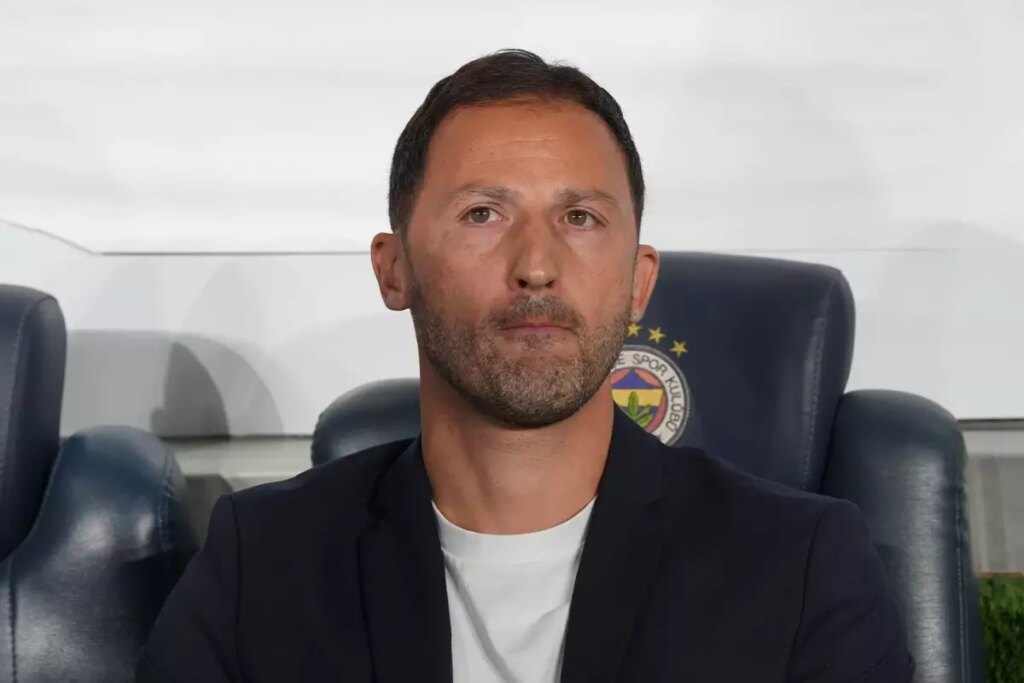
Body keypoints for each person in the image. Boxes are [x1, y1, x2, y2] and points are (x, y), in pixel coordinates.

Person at [137, 49, 914, 682]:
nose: (536, 265)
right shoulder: (260, 565)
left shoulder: (801, 567)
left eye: (580, 217)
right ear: (393, 268)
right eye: (483, 213)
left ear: (639, 281)